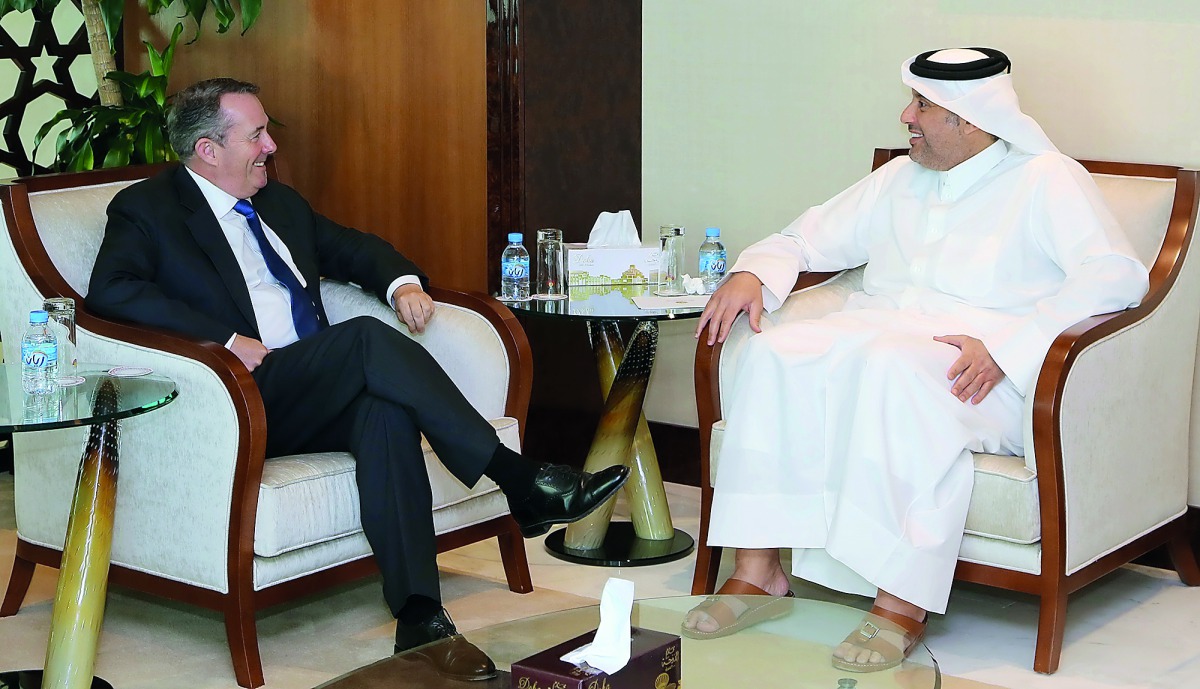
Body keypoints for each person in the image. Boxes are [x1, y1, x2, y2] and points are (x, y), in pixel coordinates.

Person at [85, 77, 629, 682]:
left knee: (385, 411)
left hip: (314, 384)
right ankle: (519, 479)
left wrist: (403, 284)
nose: (270, 146)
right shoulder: (148, 209)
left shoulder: (280, 204)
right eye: (257, 134)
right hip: (241, 394)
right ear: (209, 150)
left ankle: (421, 618)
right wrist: (228, 340)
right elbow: (112, 290)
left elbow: (352, 249)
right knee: (364, 342)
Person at [683, 48, 1150, 672]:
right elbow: (805, 235)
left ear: (968, 117)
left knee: (893, 370)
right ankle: (759, 572)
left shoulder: (1046, 178)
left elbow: (1117, 277)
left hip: (983, 368)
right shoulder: (899, 178)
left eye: (923, 106)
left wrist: (1012, 347)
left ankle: (901, 602)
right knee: (776, 351)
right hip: (881, 338)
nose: (907, 116)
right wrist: (750, 272)